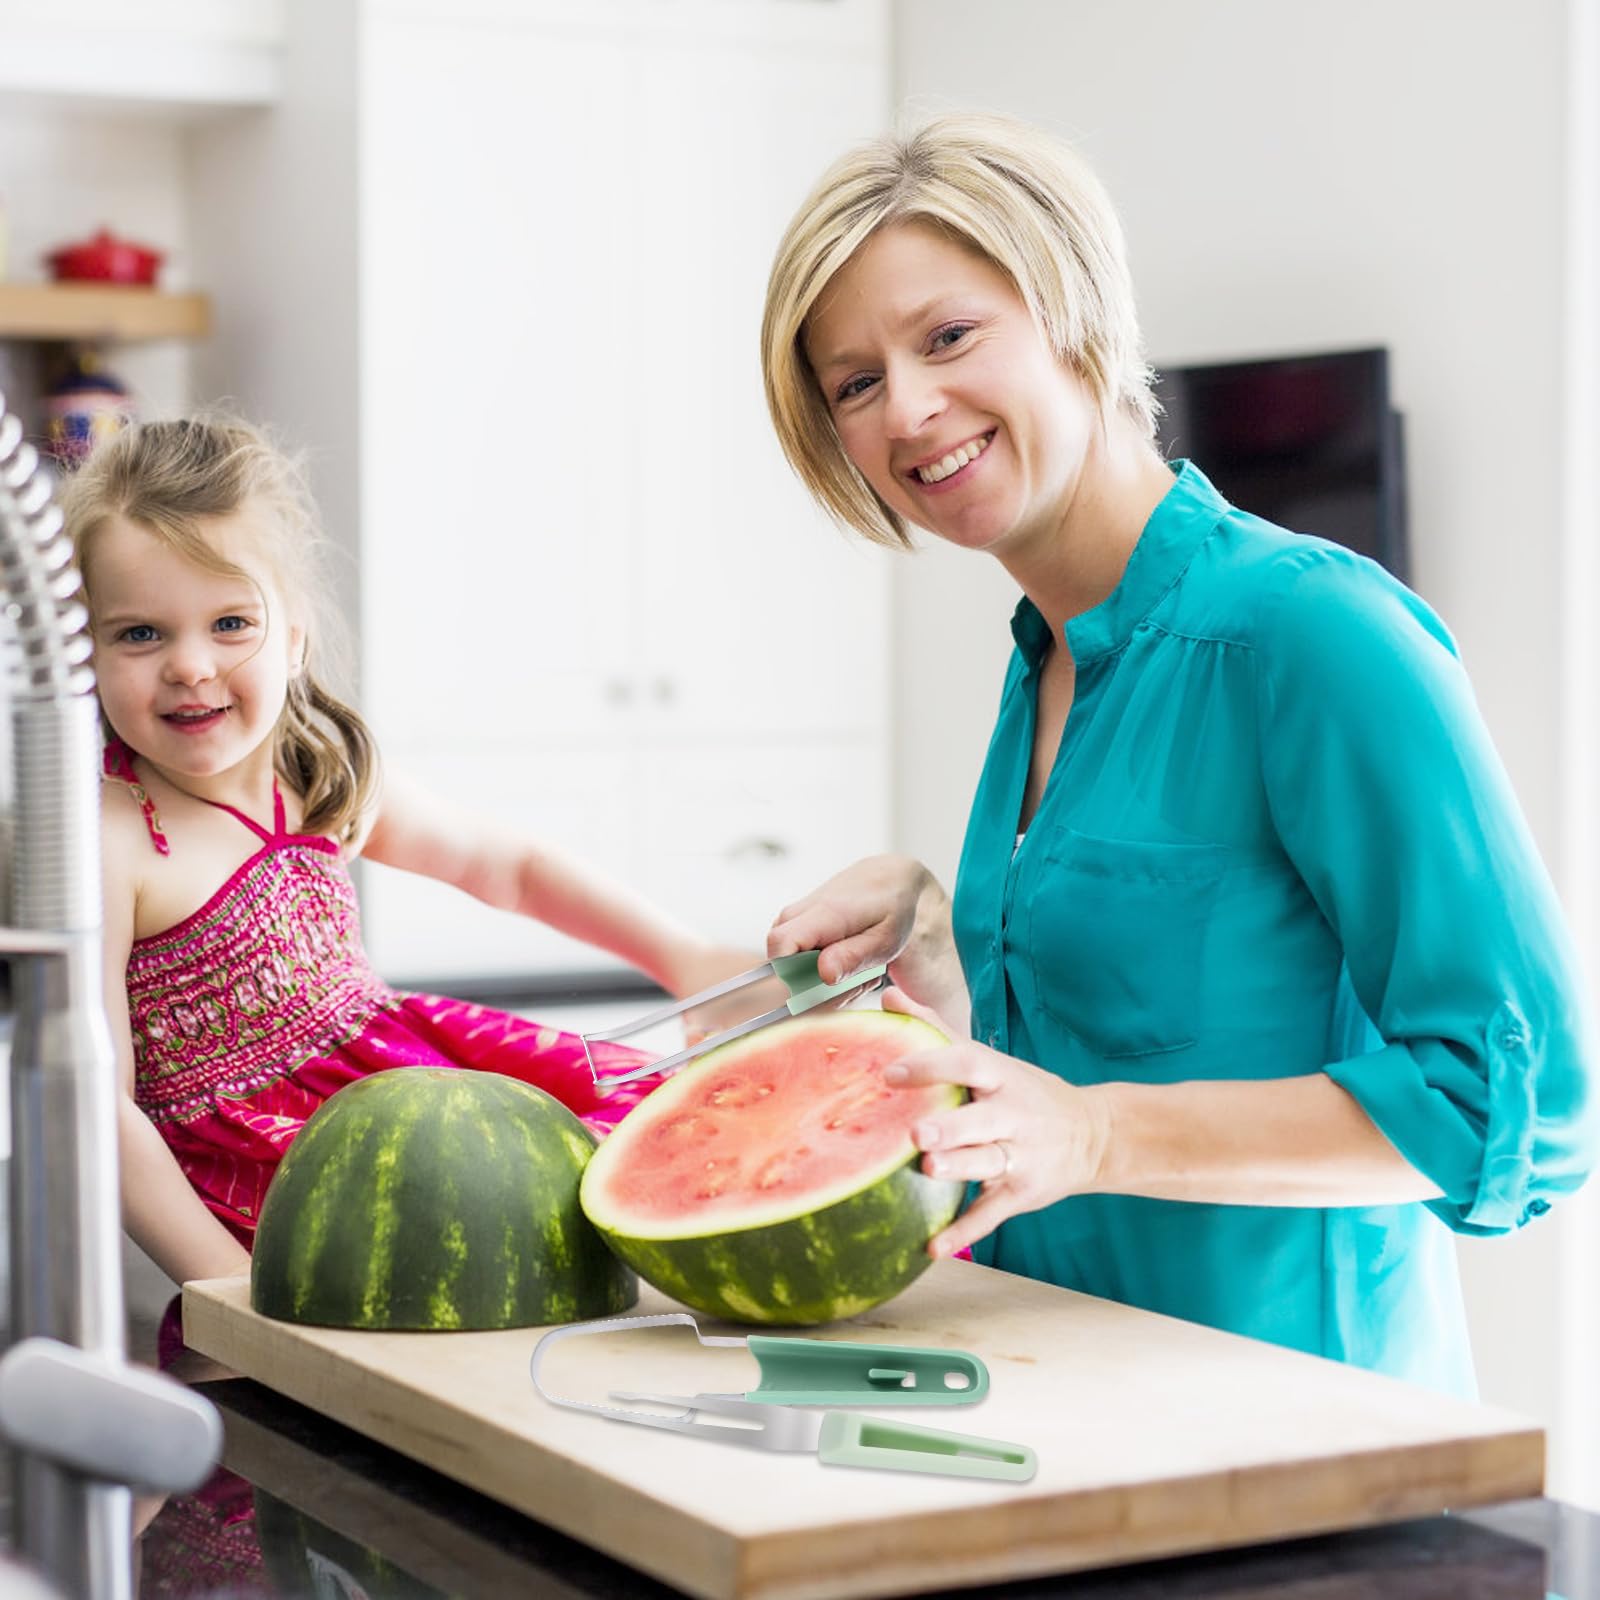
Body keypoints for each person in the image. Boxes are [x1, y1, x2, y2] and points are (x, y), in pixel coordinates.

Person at [758, 112, 1594, 1396]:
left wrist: (1092, 1133)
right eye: (856, 383)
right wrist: (945, 950)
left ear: (1071, 311)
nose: (910, 407)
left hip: (1299, 1452)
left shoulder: (1311, 633)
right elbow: (1130, 1049)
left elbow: (1518, 1108)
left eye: (947, 336)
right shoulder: (1042, 658)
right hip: (1069, 1423)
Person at [62, 416, 755, 1292]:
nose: (191, 665)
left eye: (231, 622)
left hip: (410, 1091)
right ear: (82, 651)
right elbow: (100, 1106)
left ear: (295, 636)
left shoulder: (311, 771)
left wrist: (685, 957)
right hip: (280, 1192)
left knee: (651, 1176)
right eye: (140, 635)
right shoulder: (109, 837)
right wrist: (226, 1293)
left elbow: (507, 866)